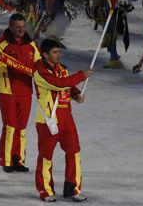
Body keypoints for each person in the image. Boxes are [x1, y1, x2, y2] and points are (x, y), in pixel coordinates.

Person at [33, 38, 93, 202]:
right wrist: (82, 75)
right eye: (54, 52)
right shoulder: (39, 72)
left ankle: (72, 188)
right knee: (46, 156)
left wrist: (76, 95)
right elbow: (59, 84)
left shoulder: (61, 69)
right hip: (48, 120)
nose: (58, 55)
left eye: (59, 51)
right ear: (45, 54)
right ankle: (45, 190)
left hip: (66, 118)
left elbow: (67, 86)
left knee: (74, 152)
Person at [0, 13, 41, 173]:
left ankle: (19, 160)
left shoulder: (32, 45)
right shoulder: (1, 43)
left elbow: (39, 67)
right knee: (10, 126)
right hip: (7, 91)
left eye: (23, 27)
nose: (21, 30)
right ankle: (6, 161)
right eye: (18, 27)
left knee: (21, 127)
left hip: (26, 91)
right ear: (10, 27)